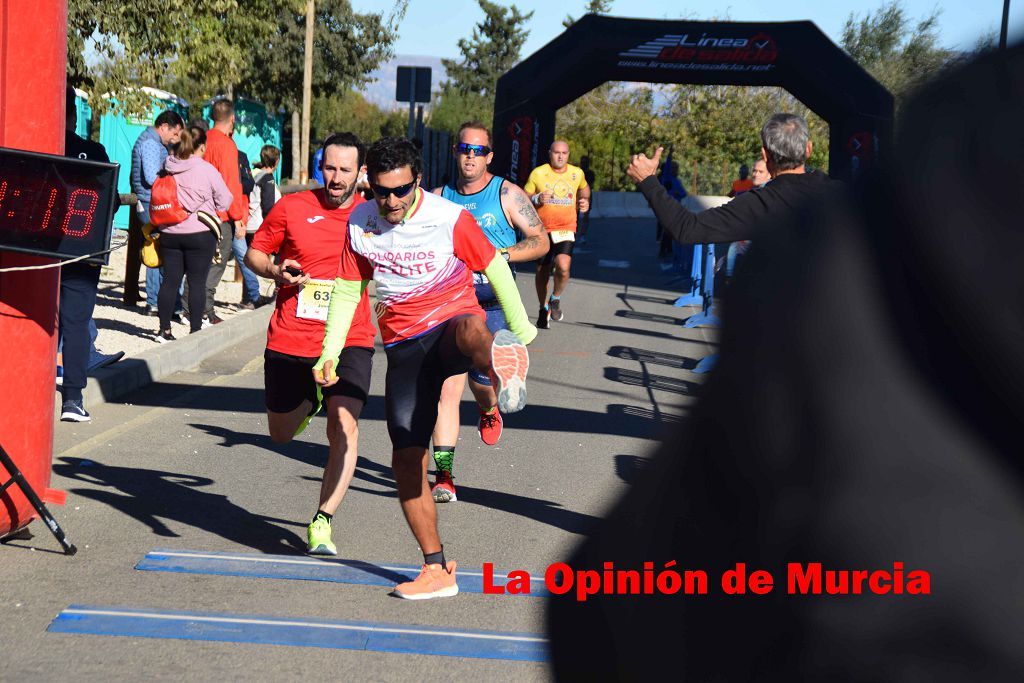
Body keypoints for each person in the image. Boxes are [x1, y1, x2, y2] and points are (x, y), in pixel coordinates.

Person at [550, 43, 1024, 679]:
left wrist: (646, 182)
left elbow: (688, 231)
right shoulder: (840, 201)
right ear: (812, 155)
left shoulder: (772, 211)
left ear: (770, 158)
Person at [313, 136, 537, 600]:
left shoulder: (448, 216)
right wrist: (329, 351)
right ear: (368, 184)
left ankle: (504, 357)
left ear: (418, 181)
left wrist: (524, 329)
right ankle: (437, 569)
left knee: (470, 331)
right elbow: (347, 290)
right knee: (405, 459)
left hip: (450, 317)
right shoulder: (361, 222)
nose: (391, 201)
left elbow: (494, 267)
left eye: (401, 190)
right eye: (381, 191)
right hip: (402, 347)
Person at [245, 133, 375, 557]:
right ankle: (309, 403)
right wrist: (277, 270)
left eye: (345, 170)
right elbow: (255, 254)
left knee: (345, 426)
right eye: (330, 168)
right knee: (280, 434)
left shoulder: (374, 216)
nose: (336, 178)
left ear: (361, 173)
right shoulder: (293, 207)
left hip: (349, 338)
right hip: (291, 336)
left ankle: (322, 519)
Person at [429, 121, 549, 503]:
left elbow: (541, 241)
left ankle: (488, 408)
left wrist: (502, 254)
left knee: (482, 381)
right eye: (465, 148)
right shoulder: (438, 197)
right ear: (455, 151)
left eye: (478, 150)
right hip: (452, 302)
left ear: (489, 156)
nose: (470, 155)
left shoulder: (507, 194)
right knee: (446, 389)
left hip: (495, 298)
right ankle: (444, 476)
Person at [627, 113, 834, 246]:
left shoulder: (757, 205)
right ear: (809, 149)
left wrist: (648, 180)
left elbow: (686, 229)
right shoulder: (844, 195)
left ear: (764, 155)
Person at [58, 86, 121, 422]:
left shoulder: (26, 149)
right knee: (76, 322)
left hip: (30, 250)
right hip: (81, 252)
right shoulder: (94, 151)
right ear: (73, 114)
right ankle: (72, 400)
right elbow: (108, 204)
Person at [155, 126, 232, 341]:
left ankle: (164, 330)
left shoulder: (168, 165)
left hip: (169, 230)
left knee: (170, 280)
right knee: (197, 282)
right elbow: (225, 201)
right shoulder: (206, 169)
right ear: (202, 146)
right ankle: (195, 331)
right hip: (200, 232)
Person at [187, 98, 248, 325]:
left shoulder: (204, 140)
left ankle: (188, 305)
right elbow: (231, 183)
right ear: (232, 119)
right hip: (220, 215)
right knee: (216, 262)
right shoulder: (227, 145)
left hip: (198, 211)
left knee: (197, 261)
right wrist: (238, 216)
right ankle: (205, 308)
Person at [525, 140, 591, 329]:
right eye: (556, 153)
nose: (560, 156)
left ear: (568, 154)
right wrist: (537, 198)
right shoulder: (538, 173)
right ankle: (542, 307)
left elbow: (584, 190)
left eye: (564, 153)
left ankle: (555, 298)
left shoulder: (576, 173)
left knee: (563, 266)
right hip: (542, 230)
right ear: (550, 153)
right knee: (542, 271)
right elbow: (524, 195)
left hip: (566, 227)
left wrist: (585, 202)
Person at [130, 109, 184, 316]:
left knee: (156, 248)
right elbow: (153, 178)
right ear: (163, 127)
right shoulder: (151, 143)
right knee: (157, 250)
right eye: (175, 133)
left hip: (151, 203)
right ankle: (156, 301)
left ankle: (157, 300)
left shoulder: (153, 141)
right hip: (151, 203)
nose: (175, 138)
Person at [245, 144, 281, 308]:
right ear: (277, 161)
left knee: (248, 260)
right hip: (261, 225)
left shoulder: (255, 175)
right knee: (274, 257)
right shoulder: (269, 178)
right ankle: (275, 292)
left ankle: (248, 297)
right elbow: (268, 206)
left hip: (249, 223)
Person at [232, 149, 261, 308]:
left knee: (245, 257)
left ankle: (254, 296)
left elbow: (249, 184)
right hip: (221, 214)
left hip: (238, 213)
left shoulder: (240, 156)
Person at [576, 155, 596, 244]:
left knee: (586, 216)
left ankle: (582, 235)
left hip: (587, 195)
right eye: (582, 162)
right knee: (574, 215)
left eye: (585, 163)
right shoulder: (577, 172)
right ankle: (573, 233)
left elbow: (591, 185)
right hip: (576, 194)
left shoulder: (590, 173)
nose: (583, 164)